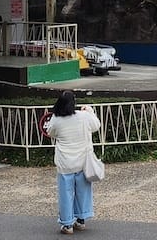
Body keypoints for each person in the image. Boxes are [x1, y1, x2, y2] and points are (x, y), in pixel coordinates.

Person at [47, 90, 101, 235]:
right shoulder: (83, 117)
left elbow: (50, 132)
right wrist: (89, 110)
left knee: (66, 193)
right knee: (83, 191)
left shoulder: (56, 119)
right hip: (83, 162)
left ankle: (67, 224)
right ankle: (81, 220)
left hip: (65, 162)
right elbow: (96, 125)